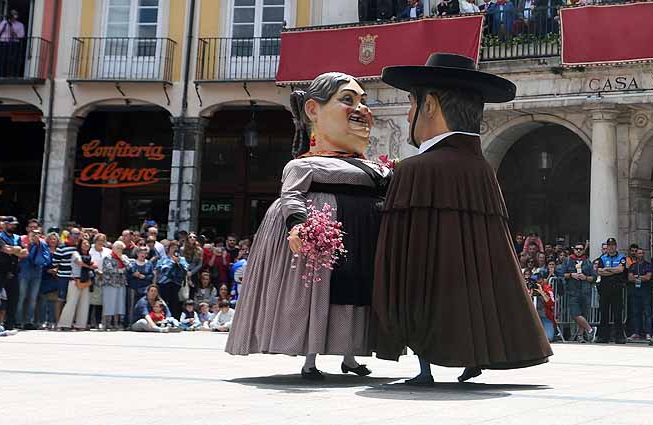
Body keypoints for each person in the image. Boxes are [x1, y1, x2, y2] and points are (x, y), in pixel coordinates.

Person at [372, 53, 552, 384]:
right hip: (474, 297)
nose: (408, 112)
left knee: (425, 284)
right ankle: (474, 353)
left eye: (412, 103)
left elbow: (405, 255)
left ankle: (426, 364)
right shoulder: (482, 168)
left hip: (431, 288)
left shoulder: (415, 169)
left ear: (430, 107)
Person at [227, 72, 386, 380]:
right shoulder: (305, 164)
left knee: (356, 292)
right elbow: (292, 195)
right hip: (324, 237)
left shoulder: (376, 168)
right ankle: (310, 359)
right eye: (348, 100)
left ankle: (350, 356)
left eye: (364, 102)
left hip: (362, 235)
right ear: (313, 110)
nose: (362, 109)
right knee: (318, 294)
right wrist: (298, 225)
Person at [560, 243, 596, 342]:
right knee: (575, 313)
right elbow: (562, 274)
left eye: (581, 249)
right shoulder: (568, 261)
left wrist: (585, 277)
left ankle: (580, 336)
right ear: (574, 250)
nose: (579, 251)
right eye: (577, 249)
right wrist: (572, 275)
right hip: (573, 291)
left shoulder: (588, 262)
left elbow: (594, 277)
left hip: (585, 291)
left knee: (583, 314)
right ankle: (590, 329)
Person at [594, 237, 627, 344]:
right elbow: (599, 271)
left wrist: (608, 270)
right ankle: (603, 336)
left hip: (617, 288)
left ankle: (619, 337)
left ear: (616, 246)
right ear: (607, 247)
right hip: (605, 288)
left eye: (613, 245)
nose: (611, 247)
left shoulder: (622, 257)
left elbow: (621, 269)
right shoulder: (602, 258)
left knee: (617, 313)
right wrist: (613, 270)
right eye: (609, 245)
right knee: (604, 313)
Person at [57, 237, 94, 330]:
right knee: (71, 302)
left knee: (84, 303)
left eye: (88, 243)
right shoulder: (75, 253)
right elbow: (79, 262)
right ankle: (64, 324)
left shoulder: (90, 255)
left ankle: (80, 325)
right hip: (75, 280)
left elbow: (95, 264)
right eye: (84, 243)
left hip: (86, 280)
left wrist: (91, 267)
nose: (86, 245)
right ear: (80, 245)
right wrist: (90, 266)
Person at [626, 244, 653, 340]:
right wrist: (641, 277)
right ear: (636, 254)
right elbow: (629, 278)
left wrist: (637, 277)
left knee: (647, 313)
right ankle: (636, 332)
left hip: (645, 292)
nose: (641, 255)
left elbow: (648, 277)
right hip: (635, 292)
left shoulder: (648, 265)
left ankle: (648, 333)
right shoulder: (633, 266)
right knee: (635, 313)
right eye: (639, 253)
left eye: (642, 253)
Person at [100, 240, 128, 330]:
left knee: (119, 305)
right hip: (110, 283)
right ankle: (106, 323)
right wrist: (120, 270)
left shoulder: (124, 257)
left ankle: (116, 323)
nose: (120, 250)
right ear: (113, 248)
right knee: (109, 304)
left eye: (121, 248)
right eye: (118, 248)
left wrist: (122, 259)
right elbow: (108, 269)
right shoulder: (108, 257)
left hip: (121, 284)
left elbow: (130, 267)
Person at [0, 9, 26, 78]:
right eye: (13, 14)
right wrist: (6, 25)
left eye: (15, 14)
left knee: (12, 60)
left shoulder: (20, 25)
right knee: (2, 59)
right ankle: (1, 75)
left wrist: (14, 33)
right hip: (4, 42)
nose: (14, 16)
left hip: (14, 43)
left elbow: (21, 36)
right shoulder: (4, 22)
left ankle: (10, 75)